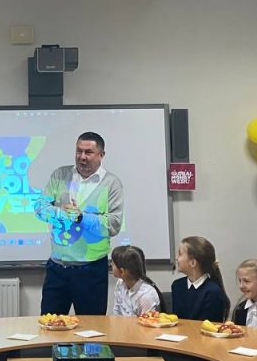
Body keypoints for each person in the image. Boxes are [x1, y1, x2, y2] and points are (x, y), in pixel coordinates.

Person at [35, 132, 124, 316]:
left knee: (91, 328)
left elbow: (113, 224)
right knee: (50, 325)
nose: (82, 157)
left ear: (101, 155)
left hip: (91, 269)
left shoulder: (112, 183)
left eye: (88, 152)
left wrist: (81, 217)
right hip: (57, 267)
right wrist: (61, 213)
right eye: (79, 151)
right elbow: (40, 208)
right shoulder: (60, 175)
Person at [171, 236, 228, 322]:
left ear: (193, 263)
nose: (176, 258)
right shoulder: (177, 286)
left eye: (180, 254)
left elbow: (209, 326)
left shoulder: (212, 292)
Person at [110, 245, 162, 316]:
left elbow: (147, 321)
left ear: (122, 271)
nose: (111, 265)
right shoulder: (120, 284)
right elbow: (116, 314)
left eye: (113, 264)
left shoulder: (146, 295)